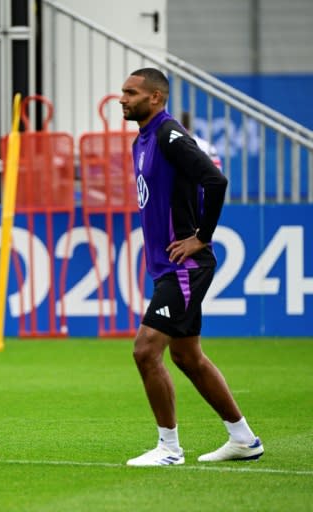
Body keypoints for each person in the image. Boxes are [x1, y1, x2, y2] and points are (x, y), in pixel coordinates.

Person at [120, 68, 263, 466]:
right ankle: (243, 439)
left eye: (131, 93)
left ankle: (169, 448)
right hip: (167, 266)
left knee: (145, 351)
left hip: (185, 265)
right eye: (123, 92)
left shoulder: (169, 135)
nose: (123, 99)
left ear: (156, 99)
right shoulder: (142, 140)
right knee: (187, 357)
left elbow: (215, 180)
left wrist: (202, 236)